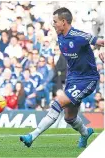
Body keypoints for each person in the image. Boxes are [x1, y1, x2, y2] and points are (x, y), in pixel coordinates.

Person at [20, 7, 104, 148]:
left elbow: (101, 41)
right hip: (72, 79)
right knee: (69, 117)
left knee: (57, 103)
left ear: (64, 22)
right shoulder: (60, 35)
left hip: (87, 79)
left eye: (55, 21)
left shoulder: (79, 36)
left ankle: (32, 136)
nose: (53, 24)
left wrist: (102, 50)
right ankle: (85, 133)